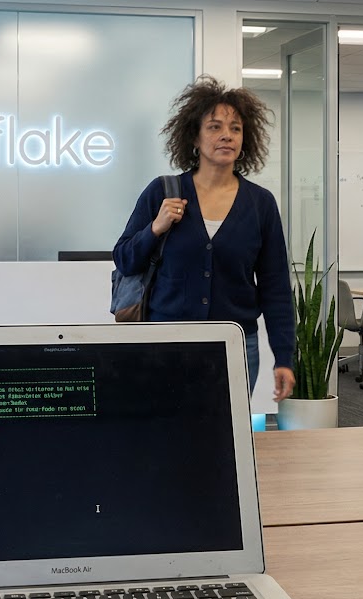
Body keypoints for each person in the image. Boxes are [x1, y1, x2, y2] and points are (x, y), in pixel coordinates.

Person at [113, 76, 296, 402]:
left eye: (236, 128)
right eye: (214, 127)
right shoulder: (163, 191)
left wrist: (284, 357)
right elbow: (125, 258)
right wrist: (155, 228)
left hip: (236, 347)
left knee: (226, 431)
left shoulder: (260, 203)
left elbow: (276, 286)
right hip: (166, 344)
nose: (227, 135)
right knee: (164, 429)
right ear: (194, 138)